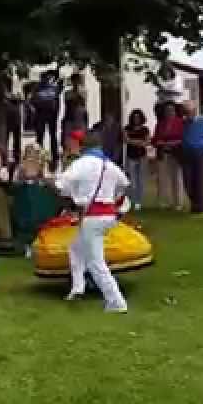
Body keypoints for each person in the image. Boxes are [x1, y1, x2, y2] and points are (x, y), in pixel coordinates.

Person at [55, 134, 131, 313]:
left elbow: (61, 184)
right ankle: (77, 288)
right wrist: (112, 196)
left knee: (95, 261)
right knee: (76, 248)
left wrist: (67, 190)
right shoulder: (110, 165)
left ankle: (116, 301)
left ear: (83, 146)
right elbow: (124, 183)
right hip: (108, 216)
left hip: (92, 217)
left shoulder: (81, 164)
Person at [180, 101, 203, 214]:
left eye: (189, 112)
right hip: (186, 154)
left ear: (194, 111)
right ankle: (195, 203)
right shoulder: (183, 123)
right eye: (185, 112)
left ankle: (201, 208)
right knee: (188, 182)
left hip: (201, 154)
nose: (187, 114)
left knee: (200, 182)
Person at [150, 103, 185, 210]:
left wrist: (171, 143)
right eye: (167, 110)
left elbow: (183, 138)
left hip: (176, 153)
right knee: (162, 179)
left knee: (177, 178)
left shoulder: (181, 122)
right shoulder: (160, 124)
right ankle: (164, 202)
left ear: (175, 111)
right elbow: (155, 139)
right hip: (162, 154)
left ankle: (178, 203)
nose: (169, 112)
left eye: (171, 110)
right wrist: (157, 143)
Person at [123, 110, 150, 210]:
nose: (136, 119)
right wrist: (139, 142)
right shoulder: (127, 128)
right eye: (134, 117)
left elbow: (147, 142)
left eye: (138, 117)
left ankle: (138, 201)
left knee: (140, 180)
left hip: (142, 157)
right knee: (132, 180)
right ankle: (131, 200)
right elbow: (126, 140)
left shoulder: (145, 129)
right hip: (130, 157)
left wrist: (133, 141)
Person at [32, 71, 62, 159]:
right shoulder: (38, 88)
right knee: (41, 137)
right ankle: (40, 155)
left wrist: (56, 113)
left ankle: (54, 155)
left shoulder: (53, 88)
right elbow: (33, 101)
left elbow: (57, 102)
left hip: (49, 115)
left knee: (52, 136)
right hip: (42, 115)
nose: (46, 79)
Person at [61, 74, 89, 158]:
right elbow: (68, 101)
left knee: (80, 141)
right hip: (69, 119)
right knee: (68, 141)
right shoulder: (67, 93)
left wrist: (78, 90)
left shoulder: (83, 91)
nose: (75, 82)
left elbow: (82, 99)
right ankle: (67, 158)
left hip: (80, 119)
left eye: (77, 80)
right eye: (74, 81)